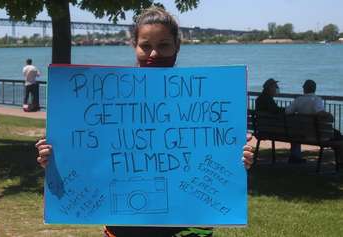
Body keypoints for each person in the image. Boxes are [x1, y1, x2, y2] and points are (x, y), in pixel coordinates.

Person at [36, 7, 254, 237]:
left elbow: (218, 157)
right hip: (125, 227)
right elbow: (87, 153)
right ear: (134, 45)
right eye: (146, 46)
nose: (153, 54)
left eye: (163, 45)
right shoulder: (105, 99)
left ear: (177, 47)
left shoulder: (204, 97)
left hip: (189, 224)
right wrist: (54, 158)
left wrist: (239, 159)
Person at [286, 79, 343, 164]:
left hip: (302, 134)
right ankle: (340, 162)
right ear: (315, 89)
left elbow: (287, 112)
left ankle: (295, 157)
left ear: (304, 89)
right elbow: (319, 112)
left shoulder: (298, 100)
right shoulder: (316, 99)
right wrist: (329, 115)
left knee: (336, 135)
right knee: (339, 136)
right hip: (318, 134)